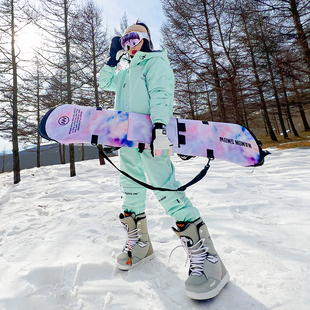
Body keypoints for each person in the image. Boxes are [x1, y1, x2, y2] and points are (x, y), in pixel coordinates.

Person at [99, 22, 229, 300]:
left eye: (133, 38)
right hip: (127, 139)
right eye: (123, 41)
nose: (128, 44)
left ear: (145, 39)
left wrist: (160, 129)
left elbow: (161, 95)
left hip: (151, 135)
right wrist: (111, 60)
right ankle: (140, 244)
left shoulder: (155, 62)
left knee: (164, 188)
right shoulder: (123, 74)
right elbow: (105, 82)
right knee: (130, 188)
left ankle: (209, 260)